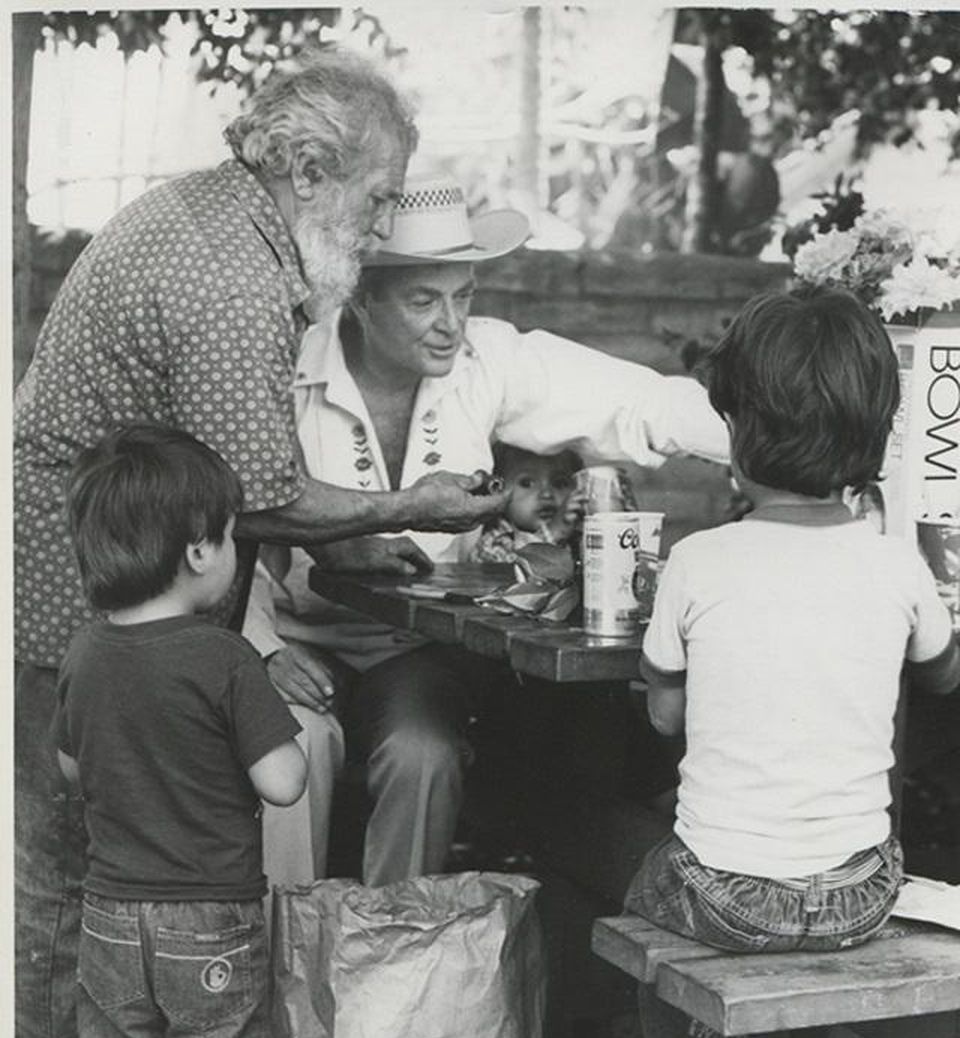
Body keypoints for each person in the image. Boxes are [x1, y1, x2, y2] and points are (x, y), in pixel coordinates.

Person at [14, 52, 508, 1038]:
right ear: (306, 168)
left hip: (93, 570)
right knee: (70, 856)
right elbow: (264, 496)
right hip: (75, 582)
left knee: (82, 847)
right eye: (378, 196)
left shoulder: (215, 218)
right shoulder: (232, 276)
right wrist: (410, 504)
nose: (380, 226)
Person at [243, 172, 730, 890]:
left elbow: (639, 405)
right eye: (423, 299)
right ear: (360, 297)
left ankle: (393, 955)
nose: (451, 322)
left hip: (409, 655)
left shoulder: (486, 359)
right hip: (290, 638)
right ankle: (283, 957)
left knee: (425, 753)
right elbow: (237, 523)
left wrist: (771, 442)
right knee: (295, 748)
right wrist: (261, 652)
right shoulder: (284, 367)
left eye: (463, 295)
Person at [626, 286, 960, 1038]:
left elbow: (664, 717)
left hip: (729, 898)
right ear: (878, 436)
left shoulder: (699, 560)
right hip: (859, 890)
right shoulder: (896, 564)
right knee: (696, 907)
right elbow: (942, 674)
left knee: (642, 903)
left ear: (737, 433)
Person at [54, 426, 307, 1038]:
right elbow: (285, 783)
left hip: (111, 923)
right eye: (231, 535)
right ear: (199, 550)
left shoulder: (85, 654)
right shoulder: (224, 657)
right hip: (211, 930)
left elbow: (76, 775)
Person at [471, 443, 585, 563]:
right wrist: (554, 532)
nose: (547, 494)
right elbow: (518, 575)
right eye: (527, 483)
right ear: (498, 492)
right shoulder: (495, 542)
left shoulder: (579, 534)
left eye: (560, 483)